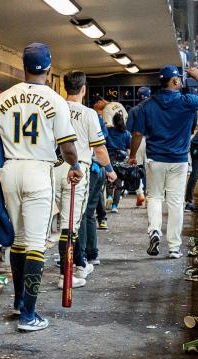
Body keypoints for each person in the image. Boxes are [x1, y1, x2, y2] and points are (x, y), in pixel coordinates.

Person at [0, 42, 83, 332]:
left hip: (11, 170)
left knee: (19, 240)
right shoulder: (55, 100)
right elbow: (68, 146)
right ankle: (29, 315)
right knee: (36, 243)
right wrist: (75, 167)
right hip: (38, 170)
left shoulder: (5, 97)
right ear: (49, 68)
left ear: (23, 66)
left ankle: (18, 303)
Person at [128, 66, 198, 258]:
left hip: (155, 159)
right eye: (180, 79)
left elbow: (137, 134)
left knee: (154, 197)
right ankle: (174, 247)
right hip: (178, 160)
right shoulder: (187, 101)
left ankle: (154, 231)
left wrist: (132, 155)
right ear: (175, 81)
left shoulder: (147, 105)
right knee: (176, 202)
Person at [58, 71, 117, 282]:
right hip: (77, 172)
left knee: (63, 224)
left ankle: (80, 263)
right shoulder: (88, 114)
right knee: (71, 225)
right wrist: (110, 170)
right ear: (83, 89)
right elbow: (100, 150)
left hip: (53, 169)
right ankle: (67, 275)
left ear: (66, 88)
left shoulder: (54, 108)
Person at [127, 86, 151, 207]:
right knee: (149, 169)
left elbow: (129, 129)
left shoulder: (133, 110)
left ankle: (140, 193)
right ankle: (149, 197)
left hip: (137, 141)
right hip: (151, 141)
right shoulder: (153, 109)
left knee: (136, 169)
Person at [105, 112, 131, 213]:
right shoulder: (127, 133)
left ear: (113, 122)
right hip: (121, 158)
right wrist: (129, 161)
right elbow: (129, 149)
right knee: (119, 182)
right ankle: (115, 206)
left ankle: (109, 196)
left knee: (109, 178)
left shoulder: (108, 130)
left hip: (109, 157)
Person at [91, 95, 109, 231]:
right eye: (103, 100)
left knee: (97, 190)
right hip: (87, 157)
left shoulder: (97, 117)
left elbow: (104, 135)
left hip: (95, 156)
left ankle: (102, 218)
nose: (105, 103)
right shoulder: (91, 115)